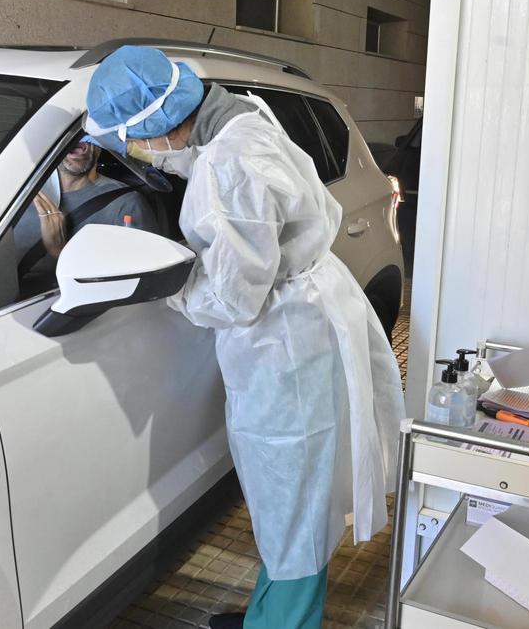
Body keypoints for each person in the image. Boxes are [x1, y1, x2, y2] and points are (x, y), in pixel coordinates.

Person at [83, 45, 405, 629]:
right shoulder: (238, 115)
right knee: (292, 495)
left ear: (156, 122)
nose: (136, 154)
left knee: (292, 496)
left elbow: (232, 297)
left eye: (132, 140)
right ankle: (270, 610)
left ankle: (285, 621)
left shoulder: (228, 167)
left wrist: (167, 285)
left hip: (283, 338)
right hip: (300, 316)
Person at [13, 136, 156, 260]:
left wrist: (58, 250)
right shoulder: (20, 195)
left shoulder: (126, 203)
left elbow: (135, 276)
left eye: (88, 134)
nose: (78, 140)